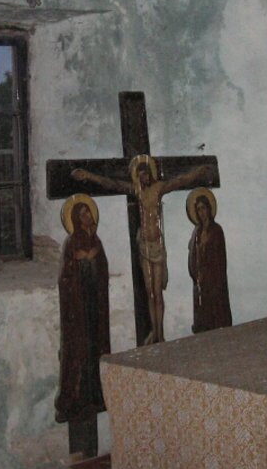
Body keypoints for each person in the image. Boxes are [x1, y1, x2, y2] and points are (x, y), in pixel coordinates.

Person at [71, 155, 213, 344]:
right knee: (150, 293)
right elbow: (112, 184)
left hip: (157, 246)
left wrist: (198, 172)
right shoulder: (136, 190)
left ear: (150, 174)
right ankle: (154, 331)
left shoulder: (159, 188)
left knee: (158, 292)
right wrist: (89, 175)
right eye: (140, 175)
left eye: (146, 174)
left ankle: (160, 333)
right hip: (144, 246)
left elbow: (180, 181)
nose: (143, 177)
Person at [54, 196, 110, 423]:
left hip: (95, 306)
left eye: (88, 212)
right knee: (79, 351)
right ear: (76, 219)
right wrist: (79, 262)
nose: (88, 216)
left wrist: (93, 260)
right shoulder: (71, 242)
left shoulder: (97, 242)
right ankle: (76, 398)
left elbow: (103, 271)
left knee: (95, 349)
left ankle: (96, 395)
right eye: (83, 214)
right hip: (78, 308)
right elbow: (64, 277)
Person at [187, 189, 232, 333]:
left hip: (214, 280)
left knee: (216, 314)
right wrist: (197, 274)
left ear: (209, 209)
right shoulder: (197, 233)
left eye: (203, 208)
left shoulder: (217, 230)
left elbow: (220, 259)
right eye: (198, 209)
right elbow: (194, 256)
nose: (201, 212)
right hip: (201, 281)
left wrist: (214, 278)